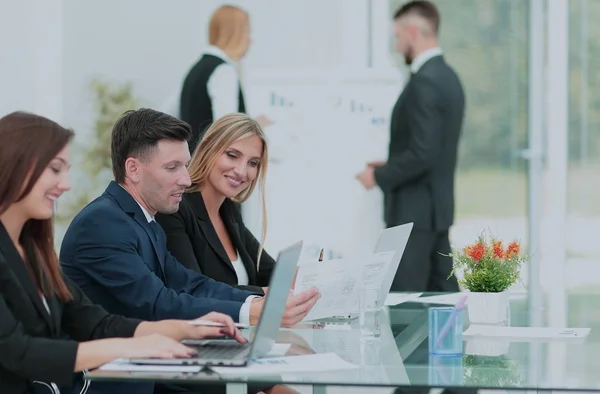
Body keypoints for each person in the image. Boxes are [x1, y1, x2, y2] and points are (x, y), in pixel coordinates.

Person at [59, 108, 316, 393]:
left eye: (185, 165)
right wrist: (252, 312)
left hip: (147, 372)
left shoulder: (143, 220)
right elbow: (158, 303)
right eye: (173, 168)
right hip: (114, 384)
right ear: (133, 169)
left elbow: (189, 283)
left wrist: (254, 301)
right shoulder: (103, 222)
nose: (185, 178)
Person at [0, 111, 246, 394]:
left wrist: (185, 329)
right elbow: (16, 350)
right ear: (16, 166)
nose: (66, 184)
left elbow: (95, 323)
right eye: (55, 169)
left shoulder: (34, 250)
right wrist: (136, 345)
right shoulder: (102, 222)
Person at [356, 0, 464, 293]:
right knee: (443, 304)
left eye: (398, 36)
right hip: (435, 211)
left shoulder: (425, 82)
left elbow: (423, 152)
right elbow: (432, 148)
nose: (397, 43)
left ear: (412, 31)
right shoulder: (448, 77)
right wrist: (389, 164)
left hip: (414, 215)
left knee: (407, 306)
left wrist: (378, 177)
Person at [156, 113, 272, 294]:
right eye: (232, 155)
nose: (242, 171)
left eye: (253, 163)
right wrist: (264, 293)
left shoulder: (228, 211)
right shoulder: (175, 208)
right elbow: (193, 289)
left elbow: (273, 273)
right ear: (208, 148)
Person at [178, 4, 271, 153]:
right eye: (247, 33)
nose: (250, 41)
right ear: (236, 34)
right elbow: (228, 134)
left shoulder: (197, 68)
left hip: (192, 167)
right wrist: (255, 126)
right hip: (210, 172)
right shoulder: (224, 71)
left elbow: (167, 116)